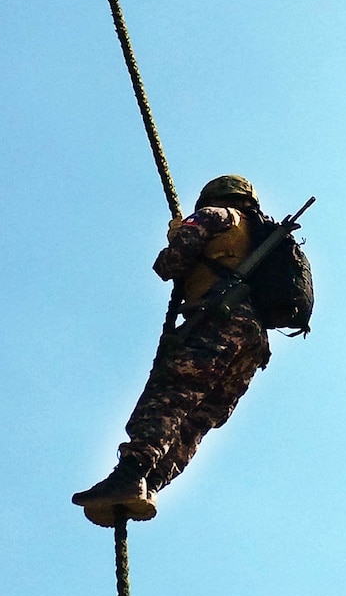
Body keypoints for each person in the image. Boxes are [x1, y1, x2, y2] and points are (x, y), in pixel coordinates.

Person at [71, 175, 273, 527]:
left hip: (218, 325)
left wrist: (178, 236)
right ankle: (149, 485)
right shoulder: (260, 235)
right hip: (251, 345)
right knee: (196, 421)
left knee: (169, 399)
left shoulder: (217, 215)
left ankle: (131, 475)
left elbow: (169, 265)